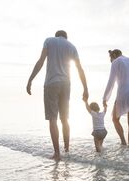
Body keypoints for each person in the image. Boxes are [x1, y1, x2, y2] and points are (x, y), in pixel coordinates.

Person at [26, 30, 88, 160]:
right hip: (66, 85)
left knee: (53, 119)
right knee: (65, 119)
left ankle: (57, 154)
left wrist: (30, 79)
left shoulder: (49, 41)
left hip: (51, 84)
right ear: (66, 37)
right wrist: (85, 88)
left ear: (56, 35)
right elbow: (79, 69)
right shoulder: (72, 47)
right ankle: (66, 150)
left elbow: (41, 61)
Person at [103, 49, 129, 146]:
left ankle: (123, 142)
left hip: (123, 92)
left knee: (115, 119)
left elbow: (111, 81)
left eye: (111, 59)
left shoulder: (116, 62)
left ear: (114, 55)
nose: (111, 61)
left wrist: (105, 98)